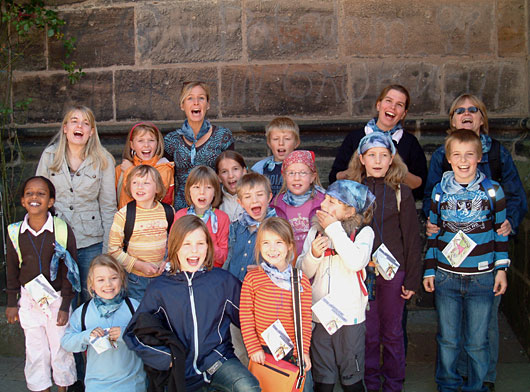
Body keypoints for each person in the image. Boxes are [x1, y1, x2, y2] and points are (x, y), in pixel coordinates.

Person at [422, 94, 527, 390]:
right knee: (449, 334)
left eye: (473, 109)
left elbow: (513, 198)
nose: (467, 114)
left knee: (482, 331)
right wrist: (432, 227)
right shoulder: (443, 169)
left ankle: (483, 380)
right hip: (448, 267)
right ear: (452, 120)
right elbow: (432, 200)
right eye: (460, 110)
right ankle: (451, 381)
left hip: (484, 261)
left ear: (482, 118)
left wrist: (509, 225)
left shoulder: (497, 163)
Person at [123, 215, 261, 392]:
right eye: (186, 244)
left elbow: (251, 317)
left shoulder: (222, 281)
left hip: (219, 361)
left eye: (200, 243)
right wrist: (167, 358)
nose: (194, 250)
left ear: (208, 246)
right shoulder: (159, 288)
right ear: (175, 247)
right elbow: (135, 332)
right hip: (181, 371)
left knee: (248, 387)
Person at [344, 133, 422, 392]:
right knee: (368, 333)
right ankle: (371, 384)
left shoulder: (402, 192)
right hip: (362, 271)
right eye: (372, 155)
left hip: (393, 272)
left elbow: (411, 237)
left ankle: (393, 385)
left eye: (384, 155)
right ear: (362, 159)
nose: (377, 160)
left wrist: (412, 278)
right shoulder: (352, 191)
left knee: (392, 333)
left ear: (391, 160)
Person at [300, 180, 376, 392]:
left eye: (333, 202)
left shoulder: (364, 233)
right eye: (325, 198)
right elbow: (303, 273)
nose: (324, 204)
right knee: (323, 376)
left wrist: (334, 229)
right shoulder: (315, 231)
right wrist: (313, 255)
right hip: (320, 314)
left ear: (350, 210)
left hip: (350, 318)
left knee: (351, 376)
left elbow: (356, 261)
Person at [36, 105, 117, 303]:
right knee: (64, 300)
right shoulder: (49, 156)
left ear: (91, 132)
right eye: (74, 121)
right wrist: (38, 242)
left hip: (91, 241)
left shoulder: (103, 160)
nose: (79, 126)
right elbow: (38, 201)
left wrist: (107, 250)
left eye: (86, 123)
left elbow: (108, 207)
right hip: (57, 239)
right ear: (65, 128)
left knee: (94, 297)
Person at [6, 176, 78, 392]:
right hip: (29, 298)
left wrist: (66, 304)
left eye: (41, 193)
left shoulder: (62, 230)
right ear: (22, 201)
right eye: (29, 193)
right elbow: (11, 268)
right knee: (35, 349)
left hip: (57, 298)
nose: (34, 197)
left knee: (60, 348)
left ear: (51, 201)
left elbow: (70, 271)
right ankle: (41, 388)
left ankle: (62, 388)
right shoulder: (14, 232)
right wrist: (11, 302)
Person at [240, 217, 313, 391]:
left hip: (293, 352)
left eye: (278, 242)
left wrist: (303, 352)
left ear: (289, 245)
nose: (272, 249)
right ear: (259, 246)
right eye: (266, 243)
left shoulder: (300, 280)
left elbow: (305, 319)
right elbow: (246, 315)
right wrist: (253, 347)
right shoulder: (253, 278)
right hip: (263, 352)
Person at [61, 255, 146, 391]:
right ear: (91, 284)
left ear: (122, 279)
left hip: (132, 384)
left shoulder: (133, 307)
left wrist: (126, 334)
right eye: (100, 280)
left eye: (113, 278)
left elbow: (150, 338)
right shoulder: (83, 312)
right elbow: (66, 342)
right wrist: (86, 336)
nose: (108, 284)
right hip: (97, 386)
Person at [329, 84, 427, 200]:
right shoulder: (355, 138)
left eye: (399, 105)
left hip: (394, 207)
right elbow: (334, 178)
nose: (392, 107)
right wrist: (359, 166)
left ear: (403, 114)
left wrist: (396, 166)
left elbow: (420, 185)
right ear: (378, 105)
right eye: (388, 101)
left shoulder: (410, 143)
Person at [164, 81, 234, 210]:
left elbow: (232, 173)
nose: (196, 102)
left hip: (214, 206)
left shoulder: (223, 136)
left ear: (207, 104)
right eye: (190, 98)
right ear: (182, 105)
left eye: (201, 98)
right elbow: (164, 176)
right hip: (182, 208)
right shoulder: (171, 140)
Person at [108, 165, 173, 301]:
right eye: (135, 182)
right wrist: (139, 265)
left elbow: (174, 244)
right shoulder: (124, 215)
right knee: (139, 314)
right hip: (135, 279)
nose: (139, 187)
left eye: (146, 183)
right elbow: (113, 250)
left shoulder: (168, 212)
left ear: (158, 188)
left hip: (162, 277)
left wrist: (168, 261)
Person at [270, 150, 325, 259]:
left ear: (313, 176)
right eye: (291, 173)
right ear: (284, 176)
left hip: (317, 262)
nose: (297, 178)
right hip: (287, 263)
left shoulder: (324, 201)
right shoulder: (277, 203)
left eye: (303, 173)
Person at [224, 173, 276, 282]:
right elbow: (230, 256)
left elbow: (285, 261)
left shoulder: (277, 228)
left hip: (260, 287)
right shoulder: (236, 226)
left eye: (260, 194)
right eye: (248, 197)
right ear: (240, 202)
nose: (254, 200)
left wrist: (265, 269)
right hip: (234, 284)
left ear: (269, 197)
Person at [174, 165, 230, 268]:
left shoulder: (222, 218)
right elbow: (173, 249)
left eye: (208, 187)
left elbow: (224, 256)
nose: (202, 192)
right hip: (186, 271)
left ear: (215, 192)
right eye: (196, 187)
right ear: (189, 191)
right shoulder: (180, 216)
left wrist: (205, 245)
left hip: (212, 272)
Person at [115, 121, 174, 209]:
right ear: (132, 145)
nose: (146, 145)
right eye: (140, 141)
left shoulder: (164, 168)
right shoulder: (120, 169)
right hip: (124, 220)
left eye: (151, 140)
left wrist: (129, 171)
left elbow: (154, 195)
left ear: (157, 143)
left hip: (154, 220)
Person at [251, 117, 301, 196]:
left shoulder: (303, 167)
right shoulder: (260, 168)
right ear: (269, 143)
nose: (281, 143)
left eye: (287, 139)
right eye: (275, 139)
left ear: (296, 143)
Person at [215, 150, 248, 222]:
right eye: (224, 171)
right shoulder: (216, 202)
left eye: (235, 169)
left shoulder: (254, 198)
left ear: (244, 171)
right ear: (219, 177)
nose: (231, 175)